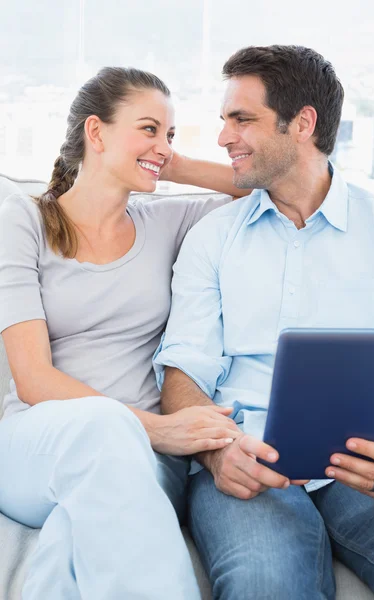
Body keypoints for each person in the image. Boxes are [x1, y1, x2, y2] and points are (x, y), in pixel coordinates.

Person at [154, 45, 374, 599]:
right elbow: (182, 375)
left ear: (303, 123)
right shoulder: (212, 239)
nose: (223, 137)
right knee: (265, 583)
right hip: (246, 457)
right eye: (224, 120)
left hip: (367, 463)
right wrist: (219, 453)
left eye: (242, 119)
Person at [0, 66, 249, 600]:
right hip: (38, 444)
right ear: (96, 132)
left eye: (171, 134)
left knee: (75, 534)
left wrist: (166, 161)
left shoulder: (169, 221)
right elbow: (32, 380)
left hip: (143, 463)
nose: (162, 144)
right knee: (101, 428)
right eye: (148, 128)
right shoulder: (22, 222)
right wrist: (158, 430)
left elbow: (257, 184)